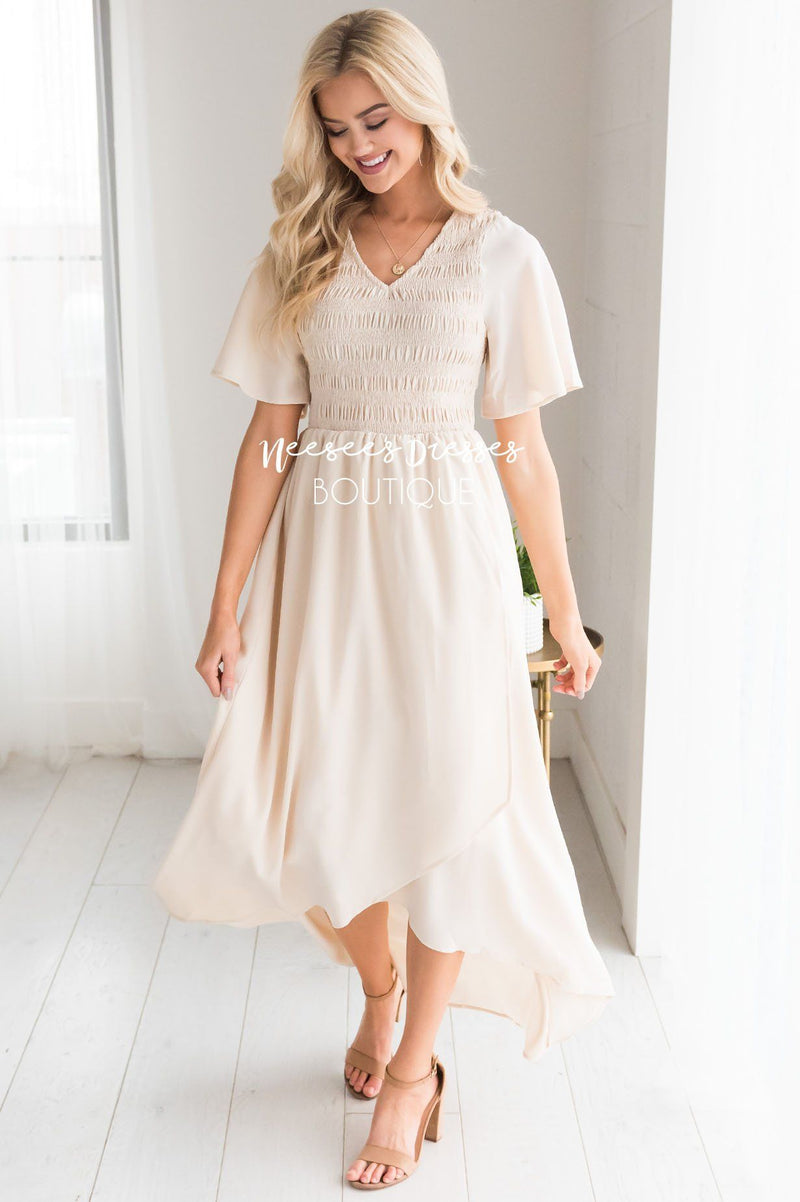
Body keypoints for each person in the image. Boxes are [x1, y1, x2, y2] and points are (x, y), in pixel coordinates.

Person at [152, 7, 615, 1191]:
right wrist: (224, 603)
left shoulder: (501, 255)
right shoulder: (299, 251)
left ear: (422, 105)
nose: (359, 145)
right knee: (330, 811)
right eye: (336, 128)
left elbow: (521, 450)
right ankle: (377, 985)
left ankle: (415, 1068)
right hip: (327, 562)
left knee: (450, 803)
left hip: (450, 563)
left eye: (377, 118)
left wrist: (563, 613)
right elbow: (269, 435)